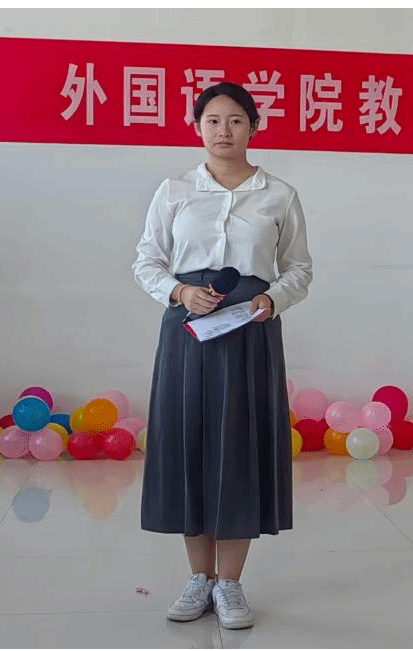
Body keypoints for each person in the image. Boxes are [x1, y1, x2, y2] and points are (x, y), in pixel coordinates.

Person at [132, 81, 313, 629]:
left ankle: (230, 584)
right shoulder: (174, 191)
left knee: (238, 448)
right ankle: (199, 578)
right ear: (197, 127)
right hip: (188, 332)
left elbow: (299, 269)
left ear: (254, 127)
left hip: (250, 332)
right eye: (212, 121)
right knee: (190, 444)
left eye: (236, 120)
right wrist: (180, 292)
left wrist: (271, 299)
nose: (224, 131)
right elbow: (146, 261)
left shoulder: (279, 194)